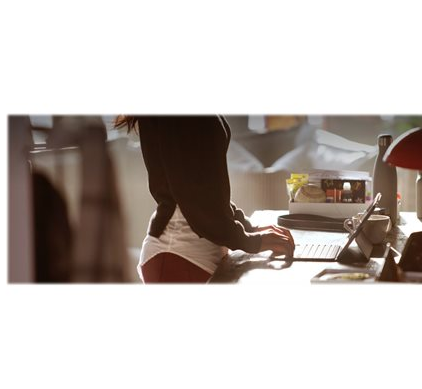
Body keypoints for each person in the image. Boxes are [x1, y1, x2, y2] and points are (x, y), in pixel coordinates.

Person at [115, 115, 295, 283]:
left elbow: (209, 192)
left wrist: (248, 228)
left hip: (190, 256)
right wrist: (252, 241)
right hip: (179, 256)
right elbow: (195, 200)